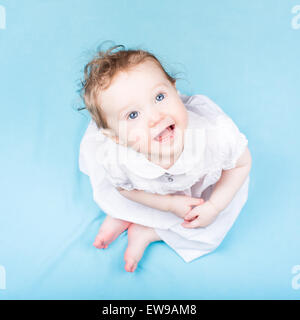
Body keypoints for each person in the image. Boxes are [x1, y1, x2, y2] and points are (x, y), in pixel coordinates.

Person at [78, 44, 252, 272]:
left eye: (160, 97)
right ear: (117, 138)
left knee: (206, 225)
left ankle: (149, 232)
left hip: (198, 193)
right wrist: (168, 203)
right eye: (133, 115)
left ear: (174, 88)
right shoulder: (119, 160)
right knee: (121, 200)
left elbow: (242, 164)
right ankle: (123, 217)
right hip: (151, 192)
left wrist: (215, 206)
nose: (155, 117)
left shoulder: (214, 137)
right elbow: (125, 190)